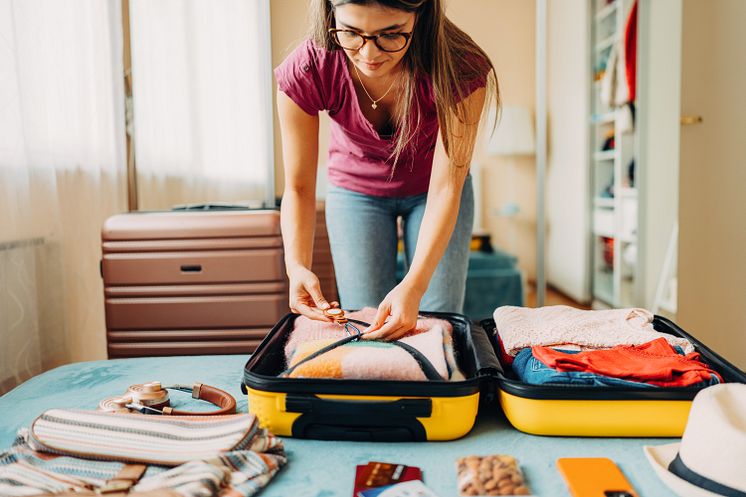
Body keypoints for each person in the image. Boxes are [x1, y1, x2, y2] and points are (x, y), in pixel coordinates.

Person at [275, 0, 499, 340]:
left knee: (436, 319)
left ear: (420, 19)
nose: (369, 53)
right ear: (330, 16)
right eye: (351, 32)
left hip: (433, 191)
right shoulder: (308, 67)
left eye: (390, 35)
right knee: (365, 320)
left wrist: (414, 284)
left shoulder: (460, 65)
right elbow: (299, 188)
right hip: (354, 192)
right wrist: (297, 267)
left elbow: (446, 189)